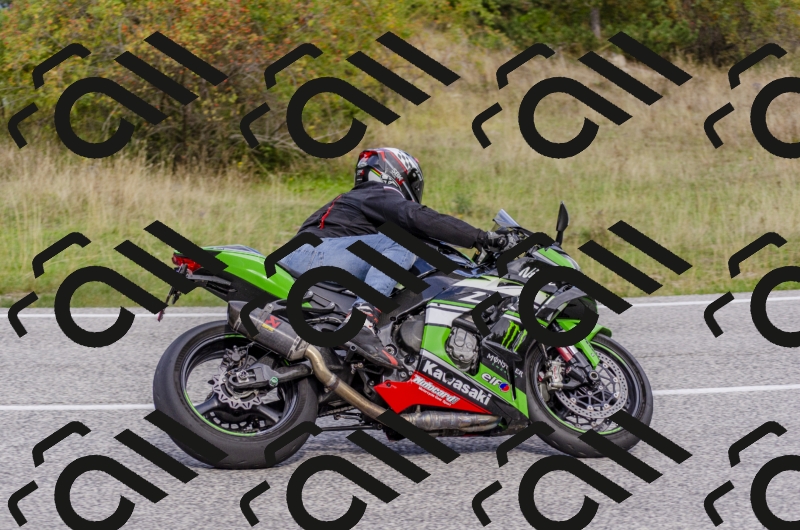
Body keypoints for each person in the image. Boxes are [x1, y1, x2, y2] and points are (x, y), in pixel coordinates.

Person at [280, 147, 511, 369]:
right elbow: (418, 218)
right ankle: (360, 321)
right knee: (403, 242)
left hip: (309, 256)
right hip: (313, 254)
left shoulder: (359, 204)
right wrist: (482, 237)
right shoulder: (376, 192)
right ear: (398, 174)